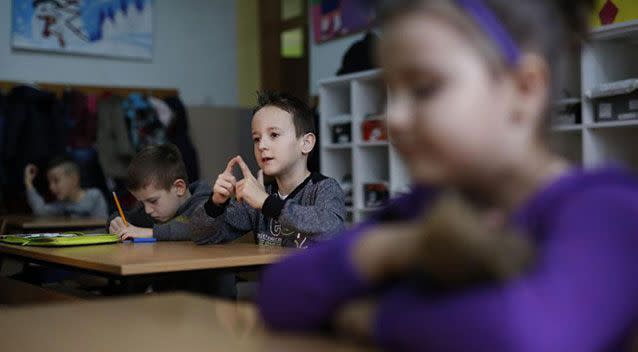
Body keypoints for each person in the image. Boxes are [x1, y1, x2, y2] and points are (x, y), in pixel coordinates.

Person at [257, 0, 638, 350]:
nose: (395, 119)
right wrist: (395, 247)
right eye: (388, 95)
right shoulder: (426, 207)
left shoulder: (609, 210)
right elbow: (278, 296)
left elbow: (524, 337)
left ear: (523, 89)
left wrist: (371, 317)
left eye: (425, 89)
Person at [190, 91, 346, 248]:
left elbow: (332, 231)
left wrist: (266, 203)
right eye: (256, 139)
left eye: (274, 135)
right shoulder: (257, 197)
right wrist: (215, 204)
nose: (262, 146)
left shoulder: (325, 188)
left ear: (306, 143)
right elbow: (201, 236)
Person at [107, 144, 210, 241]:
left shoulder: (206, 206)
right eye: (142, 203)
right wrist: (116, 222)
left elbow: (205, 228)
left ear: (179, 187)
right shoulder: (152, 213)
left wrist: (150, 232)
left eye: (153, 201)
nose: (147, 210)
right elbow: (128, 216)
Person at [24, 156, 107, 218]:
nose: (51, 187)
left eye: (56, 180)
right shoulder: (61, 205)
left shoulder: (94, 196)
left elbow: (102, 225)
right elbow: (40, 211)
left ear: (74, 178)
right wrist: (28, 183)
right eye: (49, 182)